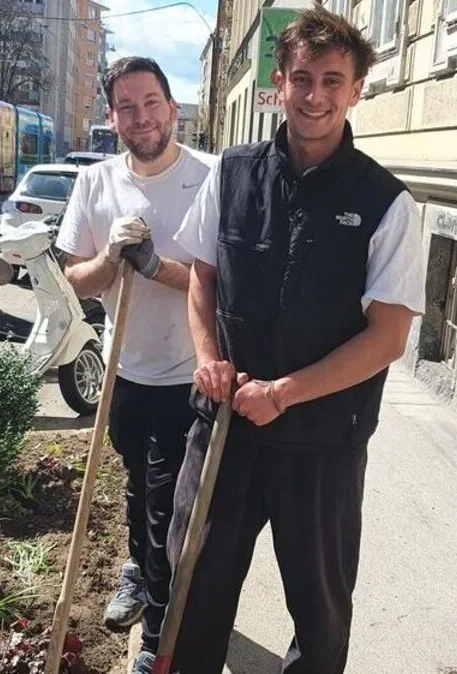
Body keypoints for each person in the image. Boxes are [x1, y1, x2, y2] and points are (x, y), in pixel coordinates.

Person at [167, 8, 426, 673]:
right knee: (192, 588)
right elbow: (201, 277)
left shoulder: (386, 202)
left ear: (356, 89)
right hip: (225, 429)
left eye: (332, 81)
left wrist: (284, 393)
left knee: (320, 613)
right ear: (278, 83)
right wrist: (208, 359)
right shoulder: (232, 174)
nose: (315, 96)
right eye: (302, 79)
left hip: (322, 445)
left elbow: (388, 337)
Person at [54, 56, 216, 674]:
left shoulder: (208, 177)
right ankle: (137, 570)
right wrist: (114, 258)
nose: (141, 117)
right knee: (136, 483)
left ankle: (155, 638)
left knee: (166, 506)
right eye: (127, 107)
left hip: (187, 373)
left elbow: (219, 281)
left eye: (151, 103)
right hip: (124, 369)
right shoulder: (95, 182)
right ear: (113, 116)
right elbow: (76, 280)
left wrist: (155, 267)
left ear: (172, 108)